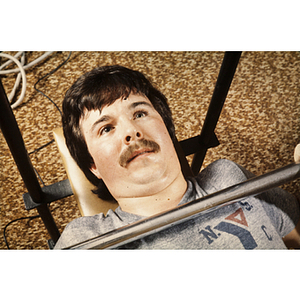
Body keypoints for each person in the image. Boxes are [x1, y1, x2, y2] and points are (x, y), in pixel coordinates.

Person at [54, 65, 300, 249]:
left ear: (167, 132)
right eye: (106, 128)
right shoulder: (86, 240)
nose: (131, 131)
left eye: (139, 113)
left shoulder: (227, 176)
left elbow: (292, 234)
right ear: (93, 165)